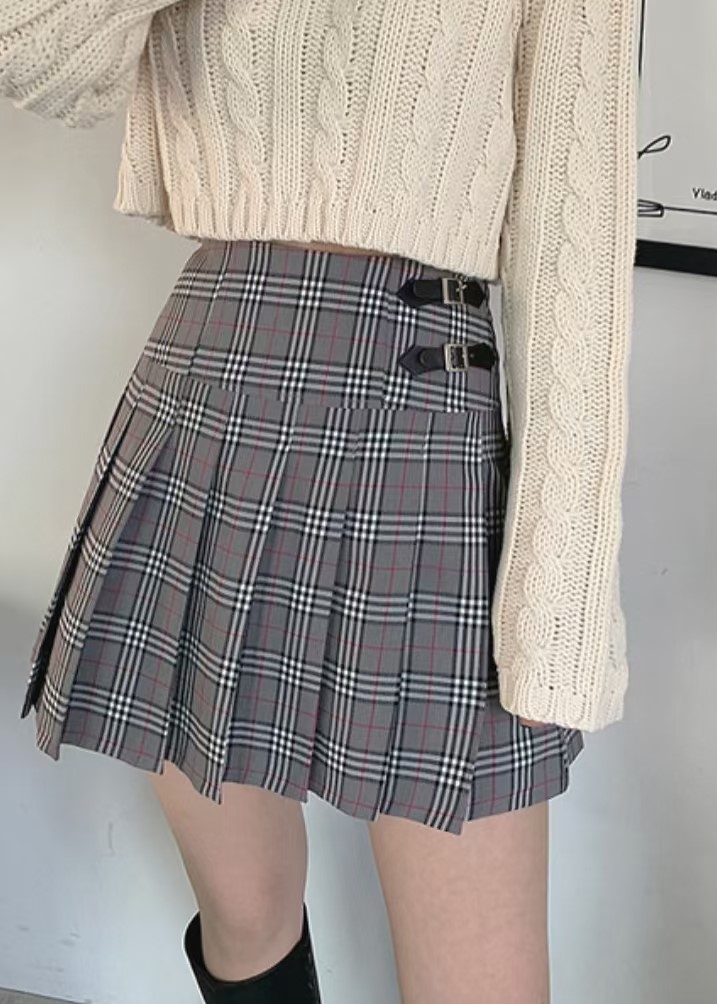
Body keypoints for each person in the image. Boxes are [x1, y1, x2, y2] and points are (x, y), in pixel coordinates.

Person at [2, 0, 639, 1000]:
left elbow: (579, 246)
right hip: (208, 386)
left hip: (421, 418)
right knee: (246, 918)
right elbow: (32, 54)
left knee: (481, 984)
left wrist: (560, 611)